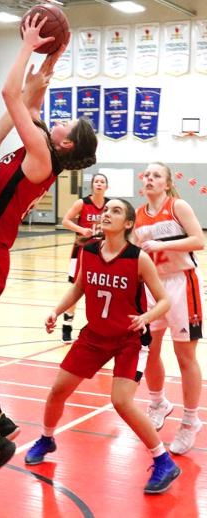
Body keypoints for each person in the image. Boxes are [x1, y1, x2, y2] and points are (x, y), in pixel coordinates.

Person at [0, 15, 98, 490]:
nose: (59, 117)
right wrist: (52, 56)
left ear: (67, 141)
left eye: (67, 123)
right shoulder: (44, 146)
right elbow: (29, 98)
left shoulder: (43, 156)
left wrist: (27, 46)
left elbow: (12, 98)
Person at [25, 198, 180, 495]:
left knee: (122, 401)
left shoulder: (138, 258)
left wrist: (147, 316)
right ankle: (46, 438)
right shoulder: (89, 250)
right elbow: (80, 286)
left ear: (129, 224)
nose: (107, 214)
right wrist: (56, 311)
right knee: (58, 390)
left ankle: (164, 461)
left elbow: (164, 300)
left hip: (129, 340)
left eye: (116, 211)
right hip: (94, 336)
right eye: (106, 210)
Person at [134, 162, 204, 455]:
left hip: (181, 284)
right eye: (147, 175)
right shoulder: (138, 215)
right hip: (153, 286)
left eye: (156, 175)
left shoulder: (179, 206)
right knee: (149, 347)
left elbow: (199, 241)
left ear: (166, 183)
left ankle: (190, 421)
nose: (150, 179)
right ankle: (158, 402)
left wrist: (161, 245)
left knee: (184, 354)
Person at [60, 173, 109, 343]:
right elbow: (66, 221)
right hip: (82, 250)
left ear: (106, 187)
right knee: (77, 288)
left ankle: (98, 327)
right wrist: (81, 230)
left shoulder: (110, 205)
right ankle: (67, 325)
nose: (99, 184)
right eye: (96, 181)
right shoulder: (82, 203)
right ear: (92, 185)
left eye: (102, 182)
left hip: (102, 251)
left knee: (100, 289)